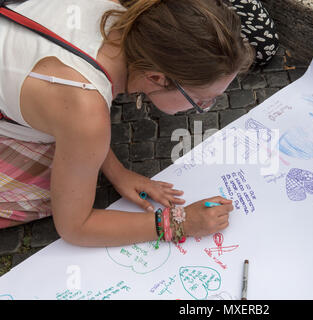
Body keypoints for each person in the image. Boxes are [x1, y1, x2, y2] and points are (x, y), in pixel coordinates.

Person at [0, 0, 279, 247]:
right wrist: (179, 222)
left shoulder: (122, 15)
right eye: (201, 101)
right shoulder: (86, 111)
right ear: (157, 78)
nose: (204, 109)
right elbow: (75, 227)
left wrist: (117, 172)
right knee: (47, 195)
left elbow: (73, 119)